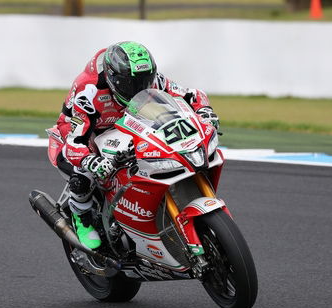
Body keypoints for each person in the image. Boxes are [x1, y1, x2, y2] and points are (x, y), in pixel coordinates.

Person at [55, 41, 219, 249]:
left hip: (126, 122)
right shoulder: (88, 91)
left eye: (144, 81)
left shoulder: (152, 81)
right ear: (113, 78)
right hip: (86, 131)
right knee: (84, 175)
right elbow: (74, 141)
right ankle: (82, 217)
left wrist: (205, 111)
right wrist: (90, 159)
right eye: (132, 84)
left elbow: (193, 95)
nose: (140, 88)